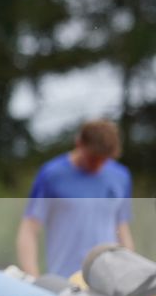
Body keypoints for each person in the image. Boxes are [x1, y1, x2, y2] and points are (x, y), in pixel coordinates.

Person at [16, 119, 135, 279]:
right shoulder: (52, 175)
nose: (98, 165)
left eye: (104, 159)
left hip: (108, 279)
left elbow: (122, 228)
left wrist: (130, 272)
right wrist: (34, 279)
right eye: (93, 158)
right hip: (65, 279)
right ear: (79, 144)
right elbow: (29, 230)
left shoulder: (121, 176)